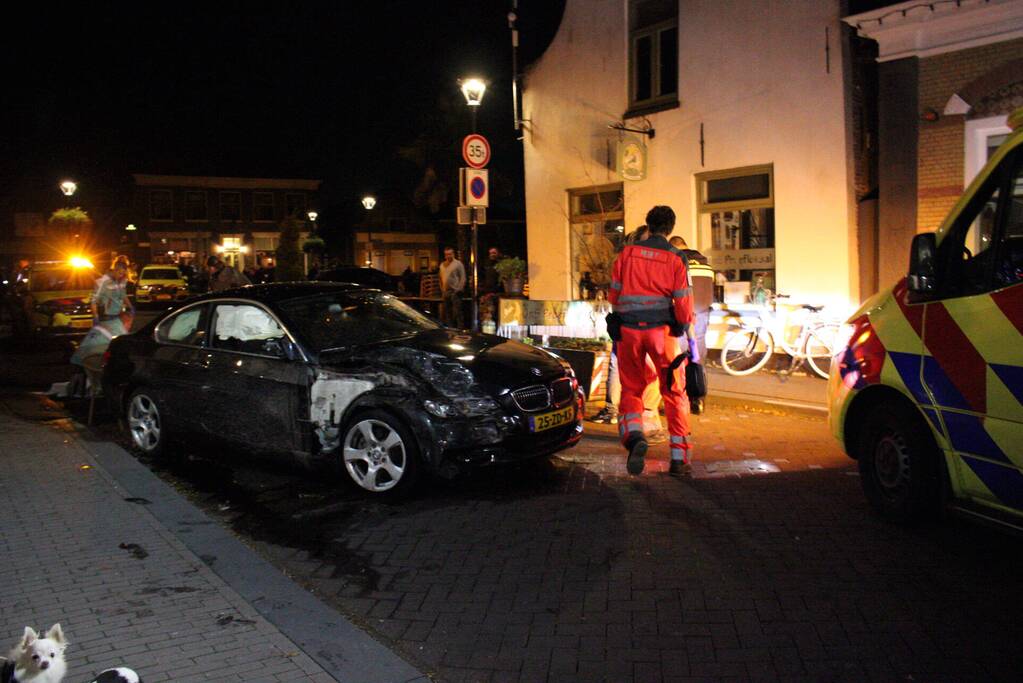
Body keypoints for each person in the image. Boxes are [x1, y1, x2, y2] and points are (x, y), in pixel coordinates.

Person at [608, 206, 695, 477]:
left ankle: (634, 436)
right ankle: (679, 459)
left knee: (632, 388)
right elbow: (683, 301)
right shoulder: (676, 257)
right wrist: (682, 325)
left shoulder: (627, 254)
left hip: (629, 331)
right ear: (670, 228)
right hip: (662, 333)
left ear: (648, 224)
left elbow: (614, 295)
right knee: (674, 391)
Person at [591, 227, 665, 441]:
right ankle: (640, 426)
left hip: (647, 328)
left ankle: (636, 426)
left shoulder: (633, 264)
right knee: (643, 378)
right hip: (637, 329)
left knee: (647, 378)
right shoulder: (630, 265)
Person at [69, 256, 134, 395]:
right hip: (105, 319)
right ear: (115, 269)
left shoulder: (121, 281)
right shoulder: (102, 282)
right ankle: (95, 384)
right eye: (121, 272)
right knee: (97, 350)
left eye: (124, 274)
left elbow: (123, 296)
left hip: (116, 318)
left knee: (116, 349)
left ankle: (102, 383)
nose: (122, 276)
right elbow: (93, 301)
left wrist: (130, 307)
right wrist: (96, 317)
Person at [669, 236, 714, 415]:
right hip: (703, 313)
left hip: (684, 313)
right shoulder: (705, 263)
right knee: (698, 358)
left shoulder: (677, 260)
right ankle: (699, 399)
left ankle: (681, 400)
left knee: (679, 357)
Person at [439, 247, 466, 328]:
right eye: (446, 254)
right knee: (447, 313)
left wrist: (459, 289)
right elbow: (440, 277)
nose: (448, 256)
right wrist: (442, 289)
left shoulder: (458, 264)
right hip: (446, 292)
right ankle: (450, 329)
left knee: (457, 312)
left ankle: (460, 329)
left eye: (450, 254)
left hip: (455, 292)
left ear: (453, 254)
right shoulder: (442, 265)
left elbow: (463, 277)